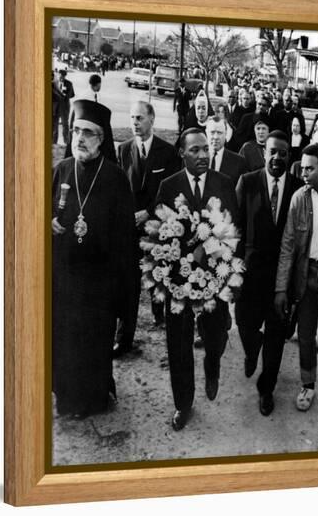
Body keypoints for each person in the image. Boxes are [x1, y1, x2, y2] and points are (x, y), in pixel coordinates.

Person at [52, 99, 136, 419]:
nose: (80, 139)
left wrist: (123, 294)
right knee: (64, 339)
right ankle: (68, 398)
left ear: (102, 139)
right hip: (64, 278)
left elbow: (126, 240)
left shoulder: (115, 179)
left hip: (99, 283)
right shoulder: (60, 169)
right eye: (75, 131)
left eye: (88, 133)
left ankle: (95, 397)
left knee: (94, 342)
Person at [155, 128, 239, 431]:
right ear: (182, 153)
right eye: (195, 150)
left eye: (206, 149)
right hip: (178, 280)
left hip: (214, 280)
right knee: (178, 343)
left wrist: (211, 248)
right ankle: (183, 403)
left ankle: (213, 362)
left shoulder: (224, 184)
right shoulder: (168, 186)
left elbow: (234, 230)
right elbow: (156, 232)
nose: (203, 155)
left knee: (215, 334)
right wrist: (174, 263)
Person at [275, 144, 318, 448]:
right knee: (304, 338)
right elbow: (288, 246)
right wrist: (281, 288)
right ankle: (307, 385)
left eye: (309, 168)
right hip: (305, 278)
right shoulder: (299, 199)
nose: (303, 173)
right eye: (301, 168)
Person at [235, 130, 303, 416]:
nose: (277, 158)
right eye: (272, 151)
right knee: (245, 324)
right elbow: (235, 228)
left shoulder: (299, 190)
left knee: (276, 336)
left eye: (283, 153)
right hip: (250, 276)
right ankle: (252, 351)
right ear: (264, 152)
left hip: (281, 279)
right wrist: (234, 272)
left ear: (290, 156)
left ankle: (267, 389)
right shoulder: (247, 183)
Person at [115, 101, 181, 357]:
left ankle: (163, 322)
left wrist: (150, 212)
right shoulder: (123, 150)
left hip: (156, 228)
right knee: (129, 286)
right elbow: (118, 190)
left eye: (140, 118)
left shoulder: (167, 152)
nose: (135, 123)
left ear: (152, 119)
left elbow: (172, 191)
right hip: (130, 230)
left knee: (159, 279)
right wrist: (128, 215)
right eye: (132, 118)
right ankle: (124, 338)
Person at [54, 69, 75, 145]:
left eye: (62, 76)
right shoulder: (54, 83)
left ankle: (66, 142)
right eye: (59, 75)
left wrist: (64, 95)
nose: (61, 77)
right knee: (54, 124)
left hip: (64, 107)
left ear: (65, 76)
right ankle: (54, 142)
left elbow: (72, 94)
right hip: (55, 107)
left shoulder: (69, 84)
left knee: (65, 124)